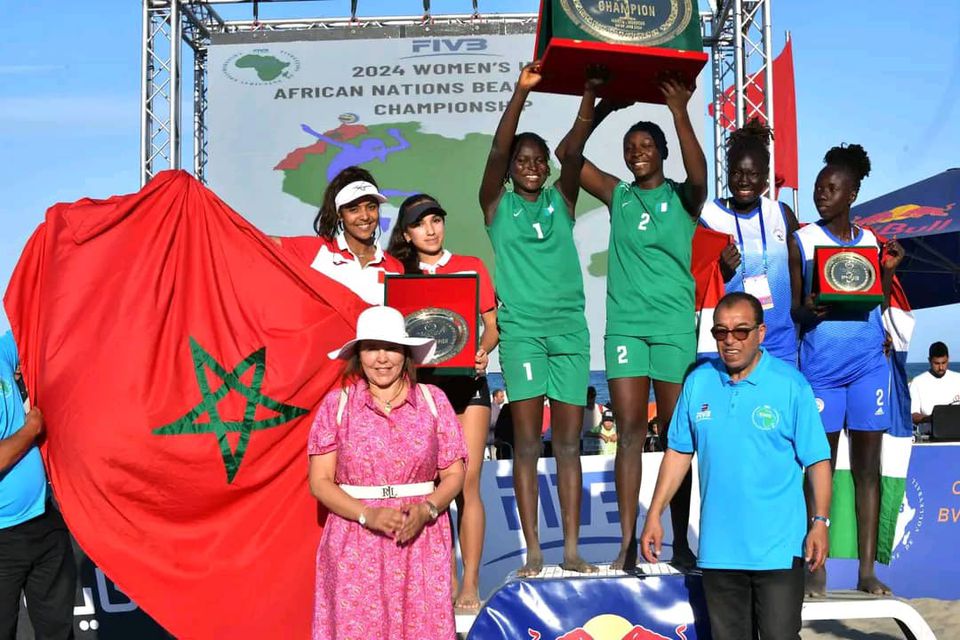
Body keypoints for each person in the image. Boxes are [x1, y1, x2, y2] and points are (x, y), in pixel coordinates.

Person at [556, 69, 708, 570]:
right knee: (628, 432)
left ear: (662, 152)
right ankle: (627, 544)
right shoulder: (619, 194)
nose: (636, 151)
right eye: (630, 146)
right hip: (624, 328)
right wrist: (595, 109)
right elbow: (567, 158)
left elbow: (701, 174)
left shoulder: (684, 199)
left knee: (677, 434)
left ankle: (681, 542)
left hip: (671, 329)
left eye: (646, 144)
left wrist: (680, 112)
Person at [640, 292, 832, 640]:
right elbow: (678, 453)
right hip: (719, 550)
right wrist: (655, 513)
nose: (730, 341)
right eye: (720, 332)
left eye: (741, 331)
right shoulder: (698, 382)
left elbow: (818, 460)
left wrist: (820, 521)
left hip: (778, 550)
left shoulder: (790, 385)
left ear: (761, 333)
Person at [478, 62, 597, 576]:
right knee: (526, 443)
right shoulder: (496, 207)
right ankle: (533, 551)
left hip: (570, 331)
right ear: (510, 170)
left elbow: (574, 153)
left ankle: (570, 551)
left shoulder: (562, 199)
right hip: (522, 335)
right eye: (521, 161)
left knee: (568, 443)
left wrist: (590, 94)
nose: (530, 165)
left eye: (538, 160)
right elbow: (497, 150)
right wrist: (521, 93)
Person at [307, 306, 466, 639]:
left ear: (406, 353)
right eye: (371, 348)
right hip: (354, 542)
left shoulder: (433, 400)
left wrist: (427, 509)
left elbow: (454, 474)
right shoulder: (337, 405)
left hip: (421, 541)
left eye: (391, 348)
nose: (382, 358)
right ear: (358, 355)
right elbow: (320, 482)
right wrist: (367, 515)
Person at [788, 143, 904, 596]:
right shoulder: (803, 241)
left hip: (868, 368)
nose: (823, 194)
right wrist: (807, 312)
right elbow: (795, 312)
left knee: (867, 471)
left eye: (832, 188)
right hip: (821, 371)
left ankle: (867, 571)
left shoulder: (873, 243)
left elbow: (877, 300)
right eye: (819, 187)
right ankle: (815, 569)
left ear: (851, 192)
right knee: (820, 467)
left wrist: (889, 273)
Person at [386, 193, 499, 612]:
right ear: (407, 233)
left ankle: (470, 583)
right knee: (433, 488)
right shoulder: (397, 272)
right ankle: (444, 581)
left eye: (436, 220)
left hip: (468, 386)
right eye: (420, 223)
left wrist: (483, 350)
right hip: (421, 390)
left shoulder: (471, 266)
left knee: (467, 483)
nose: (431, 229)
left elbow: (491, 325)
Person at [699, 120, 799, 365]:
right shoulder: (709, 217)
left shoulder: (781, 214)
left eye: (753, 174)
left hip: (781, 342)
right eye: (736, 173)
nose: (744, 181)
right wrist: (719, 272)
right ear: (727, 172)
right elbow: (695, 282)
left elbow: (802, 276)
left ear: (765, 177)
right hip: (733, 343)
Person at [0, 331, 77, 640]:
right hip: (3, 539)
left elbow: (35, 322)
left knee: (58, 631)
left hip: (45, 523)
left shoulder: (2, 354)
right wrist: (31, 430)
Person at [274, 166, 403, 304]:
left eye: (371, 207)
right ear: (339, 214)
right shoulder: (314, 250)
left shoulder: (395, 267)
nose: (365, 216)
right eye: (354, 209)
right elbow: (258, 243)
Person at [909, 341, 960, 430]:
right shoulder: (917, 382)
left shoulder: (958, 379)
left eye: (944, 363)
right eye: (936, 363)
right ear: (929, 360)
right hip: (929, 435)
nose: (941, 367)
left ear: (948, 359)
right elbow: (913, 415)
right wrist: (933, 418)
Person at [581, 386, 604, 454]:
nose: (590, 399)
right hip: (583, 446)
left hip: (599, 445)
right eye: (588, 397)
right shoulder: (579, 412)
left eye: (592, 396)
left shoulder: (601, 409)